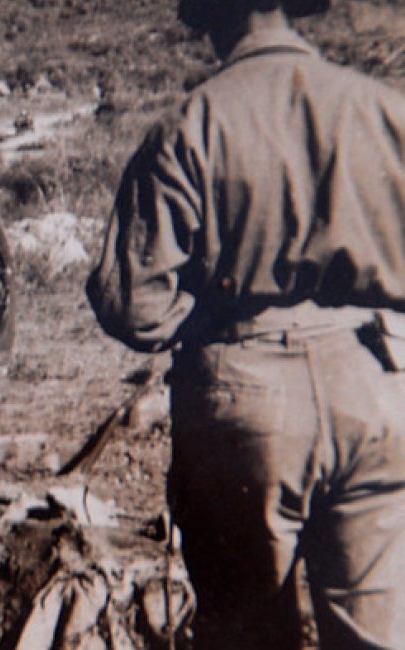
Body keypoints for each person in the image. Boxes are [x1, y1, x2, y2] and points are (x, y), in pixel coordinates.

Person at [86, 1, 405, 647]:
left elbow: (131, 303)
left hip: (245, 393)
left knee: (249, 632)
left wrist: (212, 321)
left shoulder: (189, 125)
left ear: (208, 16)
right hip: (374, 382)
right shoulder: (380, 108)